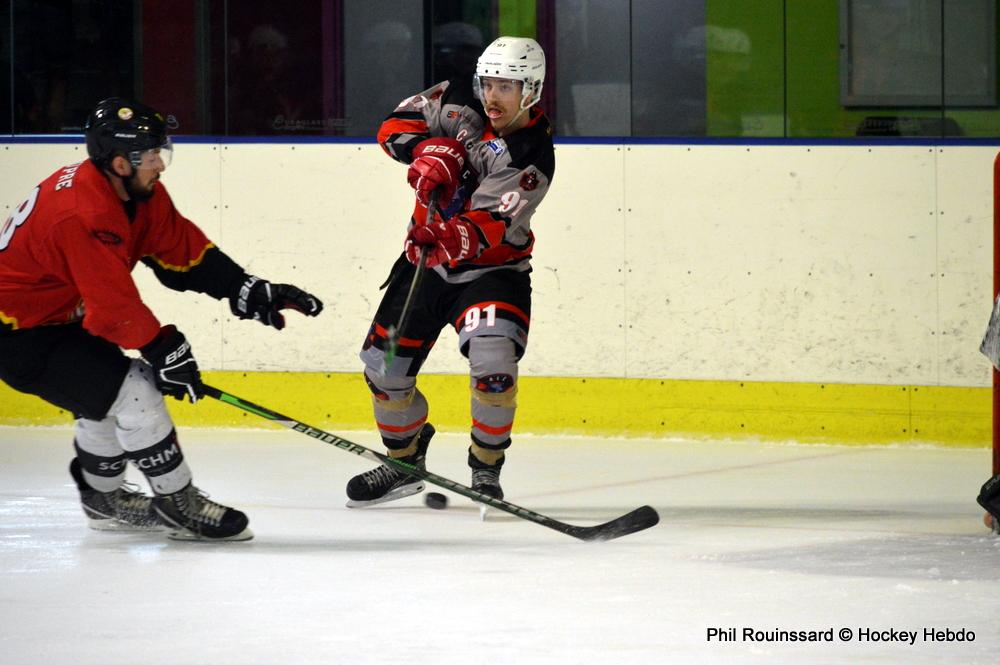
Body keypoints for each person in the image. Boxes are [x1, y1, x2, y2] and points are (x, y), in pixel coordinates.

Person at [0, 97, 323, 540]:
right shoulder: (84, 213)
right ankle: (179, 504)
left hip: (56, 319)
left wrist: (245, 288)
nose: (161, 166)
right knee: (134, 393)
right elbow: (113, 306)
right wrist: (164, 348)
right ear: (119, 163)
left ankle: (103, 499)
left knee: (104, 396)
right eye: (152, 156)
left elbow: (179, 250)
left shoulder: (132, 190)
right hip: (19, 334)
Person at [347, 36, 554, 506]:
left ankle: (486, 467)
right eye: (489, 82)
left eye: (508, 85)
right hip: (422, 265)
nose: (493, 95)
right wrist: (429, 149)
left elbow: (490, 225)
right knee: (385, 373)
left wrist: (440, 231)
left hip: (492, 273)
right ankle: (404, 462)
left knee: (494, 370)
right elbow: (392, 127)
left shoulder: (532, 152)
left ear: (532, 90)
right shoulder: (457, 98)